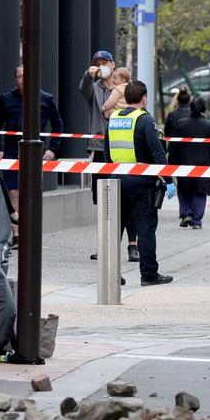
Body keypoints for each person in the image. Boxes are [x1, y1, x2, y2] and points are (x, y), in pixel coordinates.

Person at [0, 63, 65, 244]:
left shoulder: (46, 99)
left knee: (29, 191)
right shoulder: (6, 99)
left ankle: (30, 230)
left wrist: (52, 149)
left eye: (27, 75)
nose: (23, 79)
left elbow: (58, 124)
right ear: (16, 79)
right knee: (13, 191)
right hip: (11, 151)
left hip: (34, 152)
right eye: (20, 76)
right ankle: (16, 234)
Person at [105, 81, 173, 286]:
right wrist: (169, 180)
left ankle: (110, 275)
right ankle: (149, 274)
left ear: (126, 98)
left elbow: (107, 153)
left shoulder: (114, 118)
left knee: (115, 228)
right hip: (142, 180)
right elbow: (158, 152)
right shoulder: (144, 119)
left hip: (117, 178)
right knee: (146, 227)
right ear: (143, 98)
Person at [81, 50, 138, 263]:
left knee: (130, 198)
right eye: (98, 63)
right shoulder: (93, 90)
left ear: (113, 65)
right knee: (103, 199)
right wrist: (89, 75)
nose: (102, 65)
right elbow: (83, 88)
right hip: (99, 148)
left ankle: (133, 245)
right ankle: (104, 244)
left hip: (125, 149)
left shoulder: (127, 88)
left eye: (105, 62)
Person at [167, 97, 210, 229]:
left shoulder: (180, 123)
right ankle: (197, 220)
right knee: (200, 192)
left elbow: (174, 145)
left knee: (184, 190)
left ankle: (186, 214)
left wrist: (172, 161)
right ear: (204, 109)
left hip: (183, 162)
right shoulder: (209, 125)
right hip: (203, 163)